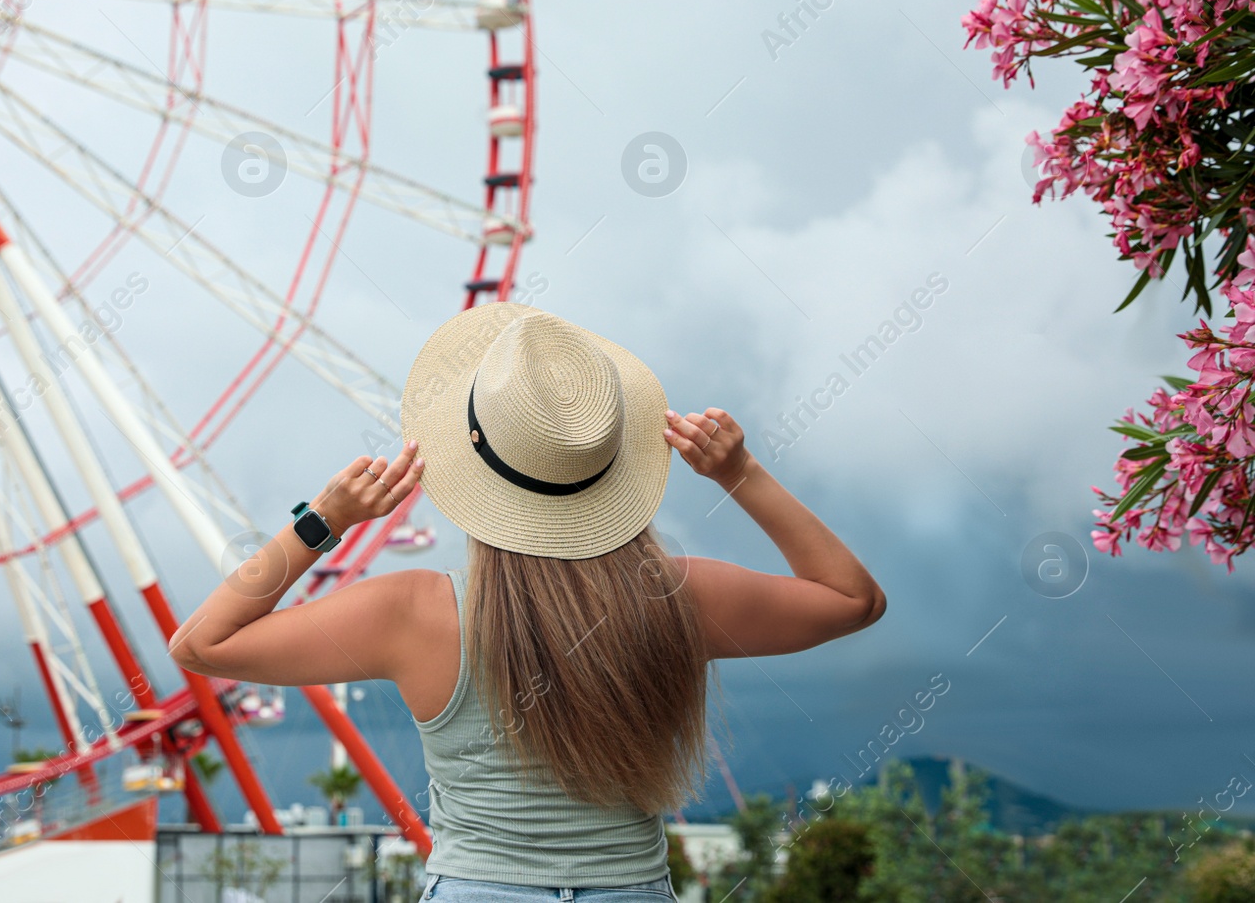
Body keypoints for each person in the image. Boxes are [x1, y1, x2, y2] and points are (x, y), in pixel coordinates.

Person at [170, 302, 886, 902]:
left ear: (469, 456)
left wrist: (320, 522)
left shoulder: (412, 612)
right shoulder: (678, 596)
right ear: (614, 461)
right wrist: (740, 472)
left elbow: (202, 644)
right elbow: (853, 599)